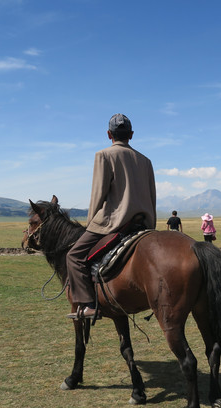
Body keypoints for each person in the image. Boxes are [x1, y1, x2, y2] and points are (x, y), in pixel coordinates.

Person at [65, 114, 156, 319]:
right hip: (142, 223)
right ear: (131, 135)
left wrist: (90, 224)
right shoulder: (146, 161)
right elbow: (152, 196)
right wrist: (151, 225)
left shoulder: (103, 155)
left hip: (113, 223)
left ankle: (88, 305)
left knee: (74, 256)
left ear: (109, 134)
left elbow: (99, 193)